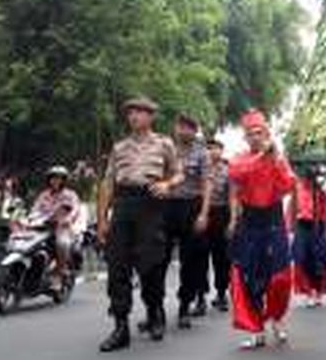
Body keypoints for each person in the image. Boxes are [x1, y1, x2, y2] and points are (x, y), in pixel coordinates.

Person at [97, 97, 183, 352]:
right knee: (117, 266)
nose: (134, 116)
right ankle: (120, 326)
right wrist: (102, 219)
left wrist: (168, 184)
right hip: (123, 205)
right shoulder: (119, 147)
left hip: (151, 205)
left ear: (150, 116)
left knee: (151, 264)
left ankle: (155, 310)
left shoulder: (164, 143)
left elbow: (178, 172)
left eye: (139, 112)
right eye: (130, 113)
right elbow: (108, 183)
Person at [227, 109, 297, 349]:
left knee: (280, 276)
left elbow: (288, 184)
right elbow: (237, 175)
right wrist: (261, 158)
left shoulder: (277, 158)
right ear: (246, 138)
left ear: (266, 134)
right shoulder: (239, 159)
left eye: (260, 133)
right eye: (251, 134)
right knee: (250, 276)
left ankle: (276, 317)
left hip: (274, 220)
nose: (256, 137)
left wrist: (275, 160)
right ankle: (255, 327)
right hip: (250, 222)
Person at [155, 113, 211, 329]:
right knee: (158, 259)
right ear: (175, 128)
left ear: (194, 131)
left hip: (191, 207)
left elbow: (206, 184)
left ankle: (184, 307)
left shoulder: (202, 153)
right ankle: (155, 309)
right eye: (181, 126)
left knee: (191, 261)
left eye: (189, 127)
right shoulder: (164, 148)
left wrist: (204, 214)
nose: (184, 131)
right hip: (166, 207)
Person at [32, 166, 81, 291]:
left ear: (64, 181)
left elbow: (75, 209)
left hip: (62, 228)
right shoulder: (43, 195)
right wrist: (30, 218)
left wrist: (68, 219)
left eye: (59, 179)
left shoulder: (70, 195)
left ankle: (59, 273)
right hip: (43, 227)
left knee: (62, 243)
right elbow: (35, 209)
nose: (55, 181)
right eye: (53, 178)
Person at [196, 138, 231, 312]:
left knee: (221, 257)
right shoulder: (199, 169)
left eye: (216, 148)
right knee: (199, 257)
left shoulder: (228, 170)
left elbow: (232, 197)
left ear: (222, 151)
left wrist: (232, 221)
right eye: (208, 148)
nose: (212, 151)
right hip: (201, 214)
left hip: (220, 214)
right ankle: (200, 297)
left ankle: (222, 294)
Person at [290, 169, 326, 307]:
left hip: (318, 226)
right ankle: (308, 292)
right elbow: (292, 208)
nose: (308, 178)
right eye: (307, 176)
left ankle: (319, 292)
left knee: (320, 259)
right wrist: (291, 228)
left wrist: (325, 227)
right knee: (302, 258)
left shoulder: (321, 191)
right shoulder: (297, 189)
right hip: (302, 226)